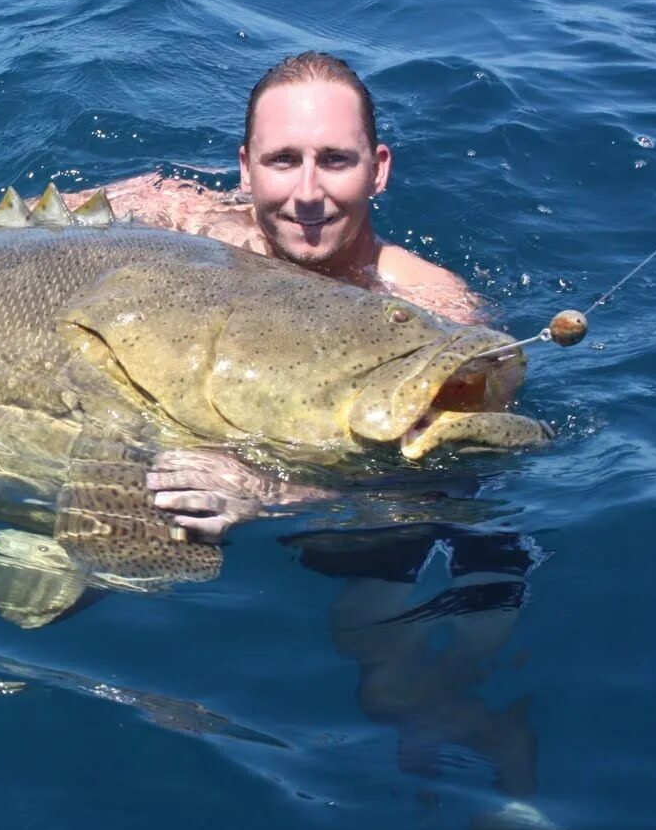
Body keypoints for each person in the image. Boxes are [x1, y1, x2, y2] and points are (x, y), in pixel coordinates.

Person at [67, 51, 492, 540]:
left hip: (352, 522)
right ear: (246, 169)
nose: (308, 191)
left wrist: (271, 490)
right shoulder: (179, 213)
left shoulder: (431, 302)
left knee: (374, 574)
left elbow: (454, 465)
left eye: (334, 160)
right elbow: (16, 235)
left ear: (378, 169)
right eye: (284, 160)